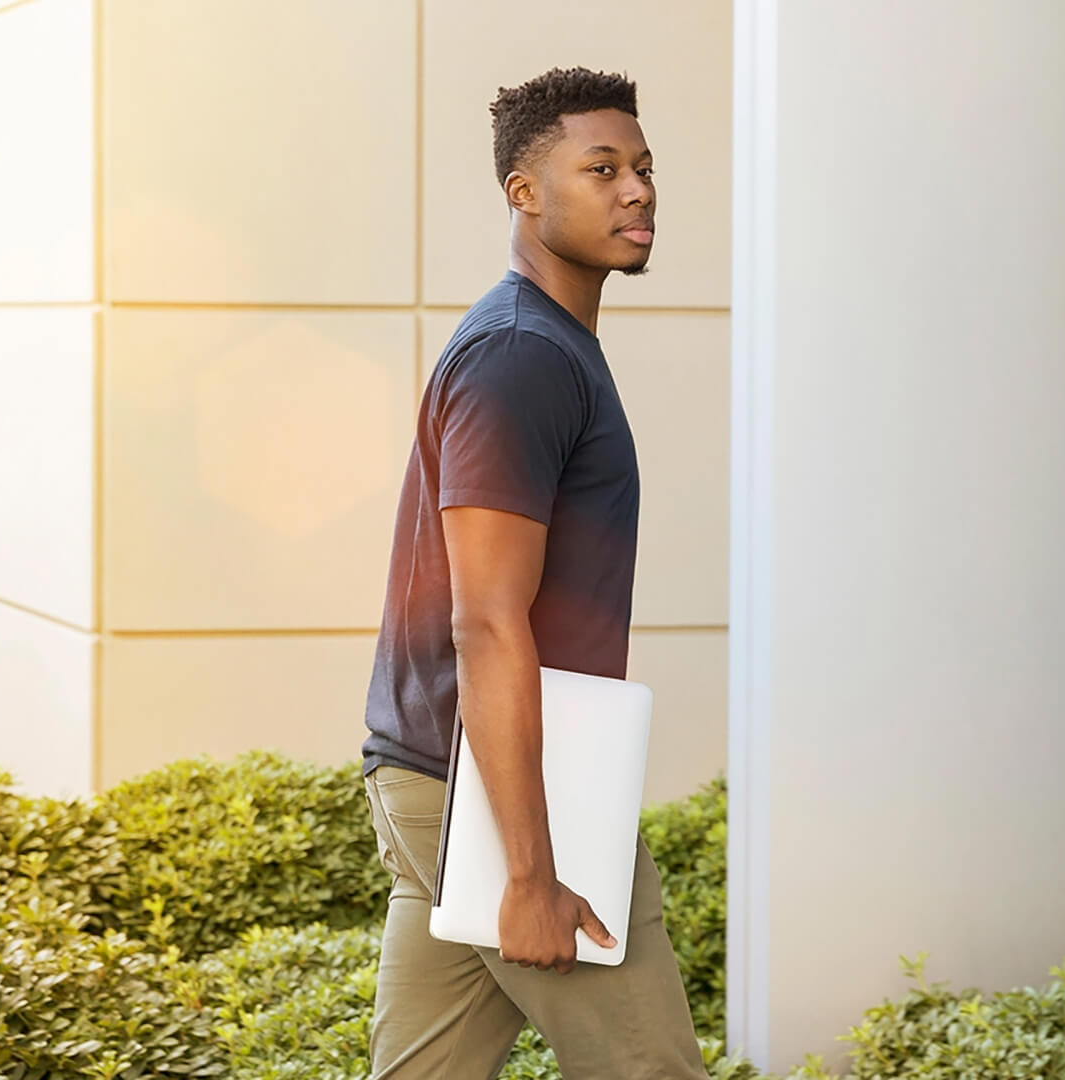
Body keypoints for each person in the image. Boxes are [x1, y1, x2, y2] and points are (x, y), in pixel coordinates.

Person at [358, 65, 706, 1079]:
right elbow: (487, 622)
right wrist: (531, 870)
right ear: (524, 192)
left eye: (642, 167)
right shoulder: (521, 357)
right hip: (508, 787)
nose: (636, 189)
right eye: (601, 169)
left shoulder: (548, 345)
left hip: (451, 775)